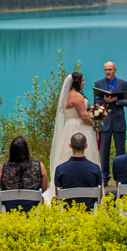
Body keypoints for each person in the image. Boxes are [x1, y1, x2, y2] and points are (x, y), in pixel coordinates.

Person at [44, 72, 100, 200]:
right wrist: (95, 124)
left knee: (66, 153)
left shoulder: (67, 95)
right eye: (83, 80)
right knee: (83, 152)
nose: (84, 82)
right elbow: (84, 116)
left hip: (69, 126)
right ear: (77, 82)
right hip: (79, 127)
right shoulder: (77, 96)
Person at [94, 61, 127, 186]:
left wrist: (117, 101)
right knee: (104, 151)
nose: (108, 72)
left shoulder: (123, 83)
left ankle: (120, 176)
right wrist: (104, 101)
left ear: (115, 70)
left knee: (120, 151)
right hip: (105, 121)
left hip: (119, 120)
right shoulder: (98, 84)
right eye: (105, 70)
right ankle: (104, 176)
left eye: (110, 69)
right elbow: (96, 102)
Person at [0, 135, 48, 211]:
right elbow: (44, 189)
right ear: (27, 150)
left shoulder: (2, 168)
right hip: (33, 208)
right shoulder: (40, 166)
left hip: (10, 209)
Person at [53, 133, 103, 210]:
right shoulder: (95, 168)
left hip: (68, 211)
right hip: (88, 210)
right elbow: (99, 197)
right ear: (86, 146)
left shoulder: (60, 169)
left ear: (70, 145)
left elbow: (58, 197)